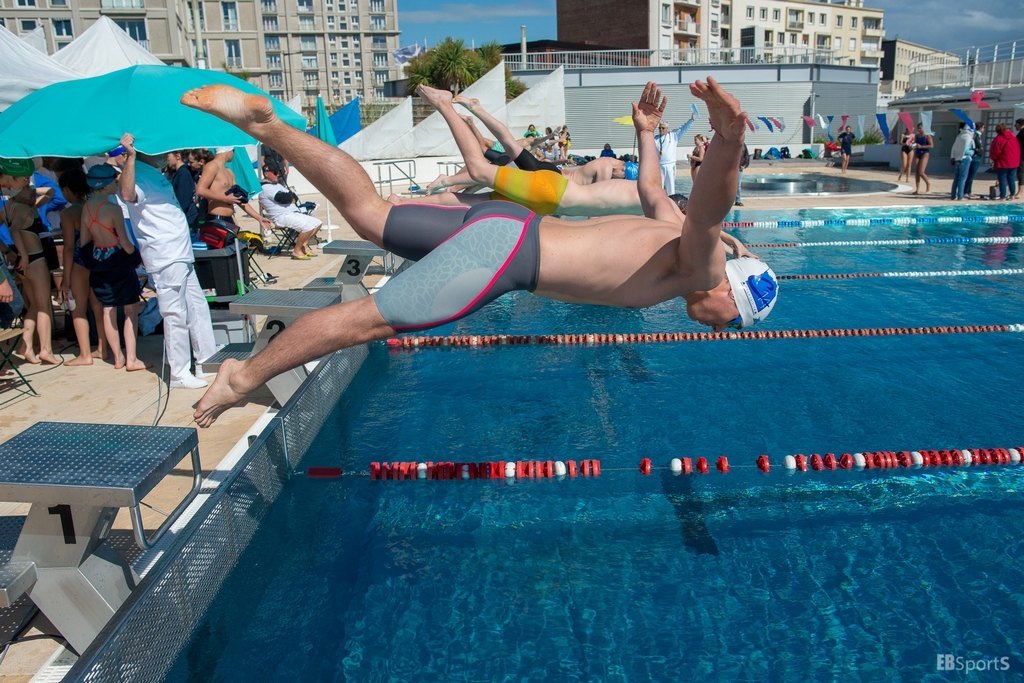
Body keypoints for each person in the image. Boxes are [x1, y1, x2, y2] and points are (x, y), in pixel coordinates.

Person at [181, 78, 778, 427]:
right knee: (363, 321)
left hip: (506, 221)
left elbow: (653, 187)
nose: (720, 329)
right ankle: (241, 377)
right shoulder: (699, 267)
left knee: (369, 214)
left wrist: (646, 132)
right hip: (506, 256)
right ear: (731, 293)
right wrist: (728, 141)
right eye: (733, 323)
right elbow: (710, 212)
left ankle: (269, 128)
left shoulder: (669, 230)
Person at [117, 133, 218, 390]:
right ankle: (179, 373)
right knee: (175, 313)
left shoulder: (154, 172)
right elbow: (127, 194)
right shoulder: (136, 171)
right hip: (165, 254)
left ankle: (206, 359)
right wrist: (130, 158)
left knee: (196, 306)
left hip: (180, 252)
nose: (167, 153)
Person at [79, 164, 147, 372]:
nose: (117, 184)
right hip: (118, 261)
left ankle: (118, 358)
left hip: (99, 261)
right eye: (114, 181)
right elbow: (125, 242)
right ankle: (132, 359)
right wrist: (137, 257)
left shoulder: (86, 208)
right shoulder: (113, 209)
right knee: (130, 310)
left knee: (108, 309)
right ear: (106, 184)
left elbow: (84, 242)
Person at [0, 157, 58, 364]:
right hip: (33, 258)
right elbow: (16, 231)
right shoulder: (23, 208)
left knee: (32, 306)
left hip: (22, 260)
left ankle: (26, 345)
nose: (29, 185)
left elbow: (49, 193)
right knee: (43, 306)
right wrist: (23, 254)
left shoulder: (8, 207)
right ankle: (46, 349)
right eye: (25, 182)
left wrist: (6, 250)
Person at [58, 168, 107, 365]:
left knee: (78, 309)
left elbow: (69, 247)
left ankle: (85, 354)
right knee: (98, 307)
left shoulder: (68, 213)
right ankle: (103, 348)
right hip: (97, 259)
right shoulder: (94, 207)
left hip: (79, 262)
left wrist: (65, 278)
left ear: (67, 190)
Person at [258, 162, 322, 259]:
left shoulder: (277, 185)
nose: (278, 174)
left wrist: (290, 196)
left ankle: (303, 246)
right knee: (308, 227)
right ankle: (296, 250)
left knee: (318, 223)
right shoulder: (265, 188)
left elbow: (294, 197)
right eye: (275, 172)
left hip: (291, 213)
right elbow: (284, 198)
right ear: (266, 174)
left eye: (278, 172)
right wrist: (290, 197)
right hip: (281, 217)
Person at [655, 115, 695, 194]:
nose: (661, 129)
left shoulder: (673, 136)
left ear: (667, 128)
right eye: (659, 128)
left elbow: (683, 129)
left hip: (670, 165)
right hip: (659, 165)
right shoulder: (655, 138)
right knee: (659, 187)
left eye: (663, 128)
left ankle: (672, 200)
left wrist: (691, 120)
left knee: (670, 187)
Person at [165, 150, 200, 234]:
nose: (166, 159)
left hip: (187, 219)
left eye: (168, 156)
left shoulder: (183, 173)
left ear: (178, 156)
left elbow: (183, 200)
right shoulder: (179, 172)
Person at [989, 123, 1021, 200]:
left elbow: (995, 151)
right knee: (1011, 179)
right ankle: (1012, 195)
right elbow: (1017, 149)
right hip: (1014, 162)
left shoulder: (998, 139)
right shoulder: (1013, 137)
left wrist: (993, 159)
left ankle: (1002, 196)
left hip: (1002, 162)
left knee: (1002, 179)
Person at [949, 123, 975, 201]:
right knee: (962, 178)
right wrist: (973, 152)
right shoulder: (969, 137)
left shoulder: (959, 136)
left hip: (957, 159)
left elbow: (953, 148)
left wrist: (953, 157)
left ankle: (953, 195)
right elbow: (966, 151)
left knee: (956, 179)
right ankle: (960, 196)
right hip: (965, 158)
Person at [912, 123, 933, 195]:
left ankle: (928, 184)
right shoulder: (917, 136)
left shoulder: (927, 136)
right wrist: (913, 145)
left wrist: (922, 146)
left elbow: (931, 145)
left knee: (921, 172)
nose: (919, 129)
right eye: (918, 128)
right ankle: (917, 189)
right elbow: (914, 144)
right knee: (916, 172)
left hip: (925, 153)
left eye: (920, 128)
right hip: (917, 153)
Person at [1015, 119, 1024, 200]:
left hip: (1022, 156)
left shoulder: (1022, 133)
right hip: (1020, 155)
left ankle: (1021, 191)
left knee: (1020, 173)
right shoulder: (1021, 132)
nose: (1015, 126)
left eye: (1016, 124)